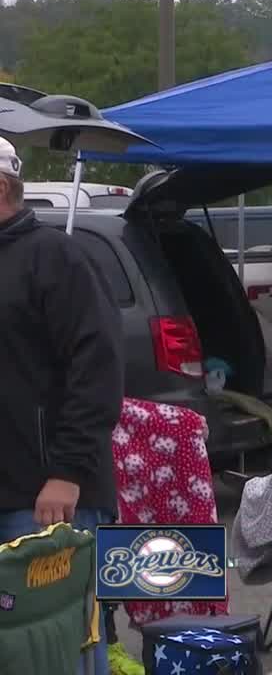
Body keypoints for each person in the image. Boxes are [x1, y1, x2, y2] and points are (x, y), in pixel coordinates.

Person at [0, 138, 124, 675]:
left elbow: (98, 368)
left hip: (47, 493)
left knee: (58, 638)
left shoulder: (55, 256)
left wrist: (68, 471)